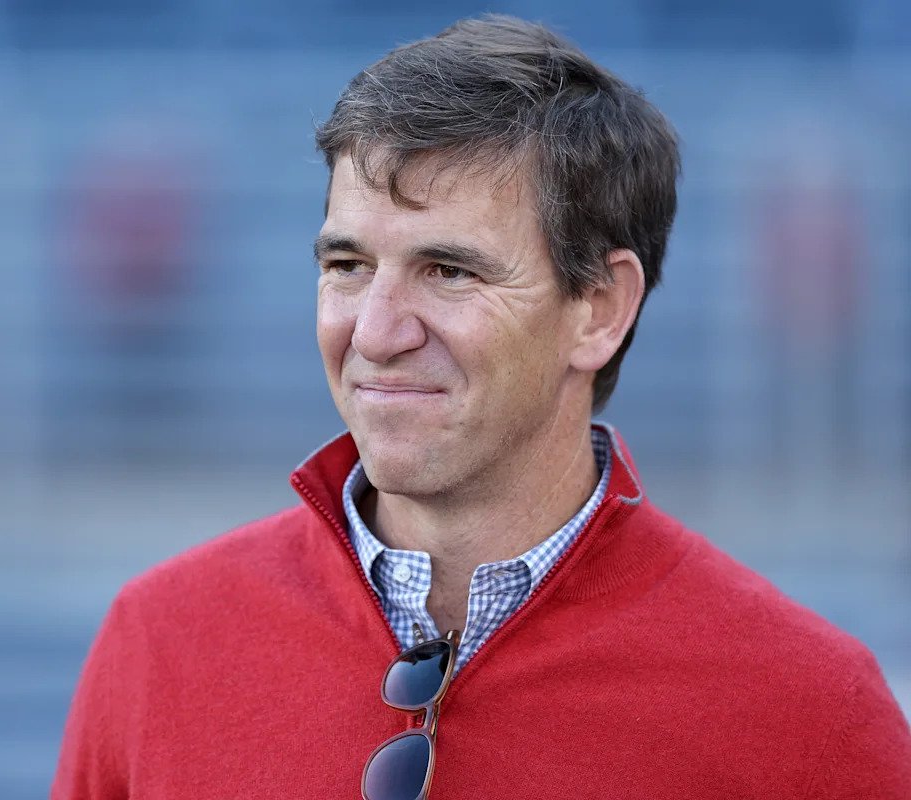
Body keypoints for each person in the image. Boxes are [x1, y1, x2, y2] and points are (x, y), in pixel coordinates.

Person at [52, 15, 911, 799]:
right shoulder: (159, 640)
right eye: (348, 266)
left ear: (600, 309)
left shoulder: (809, 714)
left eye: (449, 271)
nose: (375, 332)